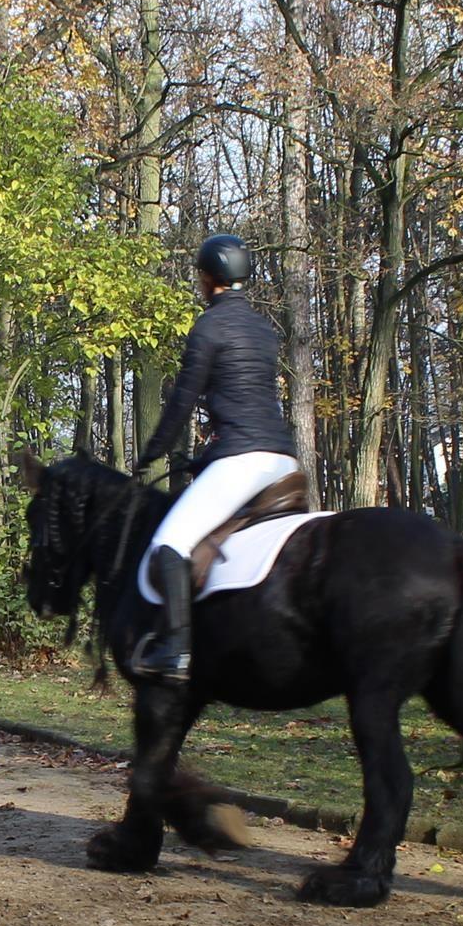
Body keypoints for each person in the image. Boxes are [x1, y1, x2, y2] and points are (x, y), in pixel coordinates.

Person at [131, 233, 300, 679]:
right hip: (284, 463)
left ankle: (176, 649)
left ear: (208, 278)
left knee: (169, 544)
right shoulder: (264, 331)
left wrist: (151, 453)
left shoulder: (208, 328)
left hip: (242, 461)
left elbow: (183, 402)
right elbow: (249, 401)